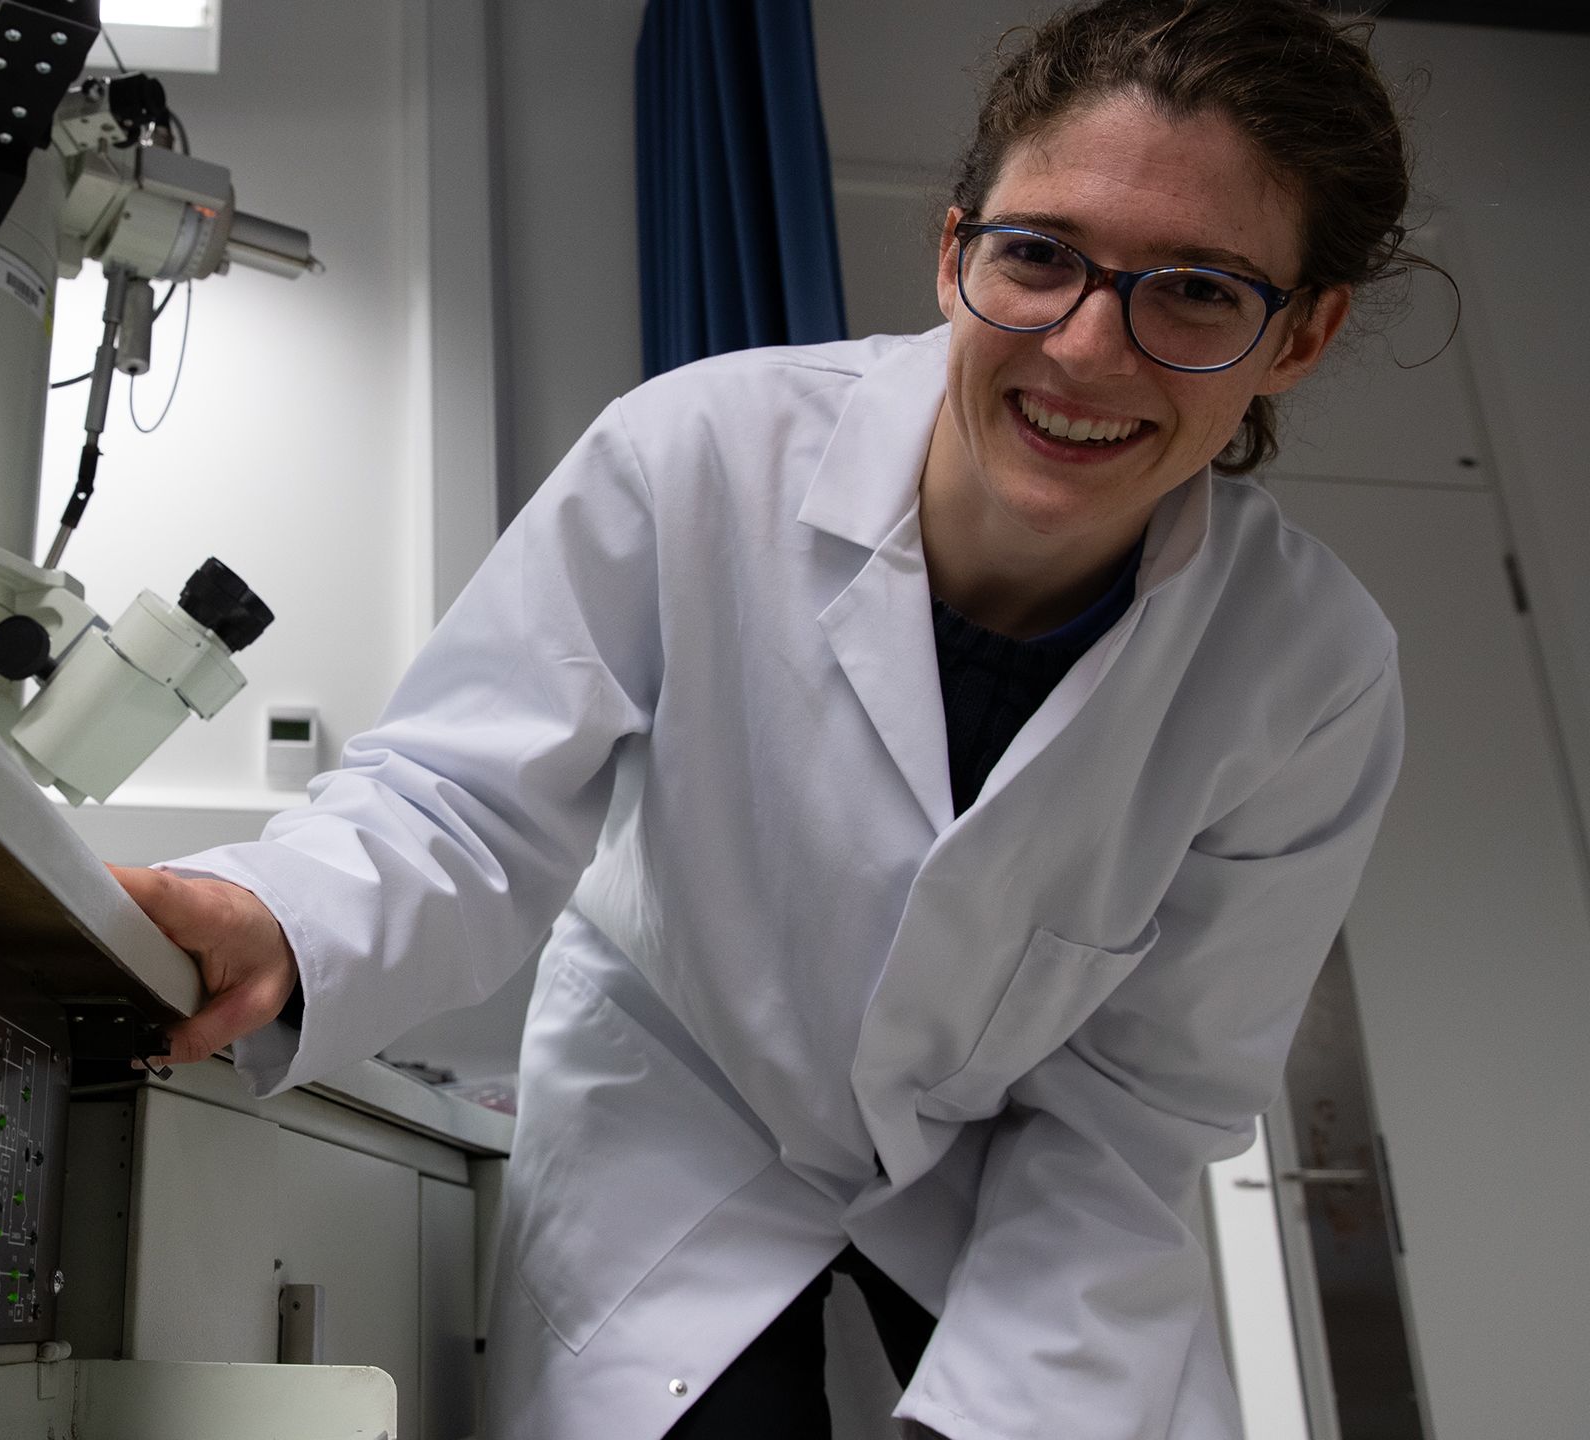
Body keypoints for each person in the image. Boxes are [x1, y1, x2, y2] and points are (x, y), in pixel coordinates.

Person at [111, 1, 1427, 1435]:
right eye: (1040, 256)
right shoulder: (702, 454)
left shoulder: (1310, 673)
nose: (1088, 350)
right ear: (954, 251)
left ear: (1300, 337)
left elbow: (1138, 1110)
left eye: (1197, 291)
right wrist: (278, 918)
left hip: (1014, 1199)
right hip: (680, 1133)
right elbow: (462, 803)